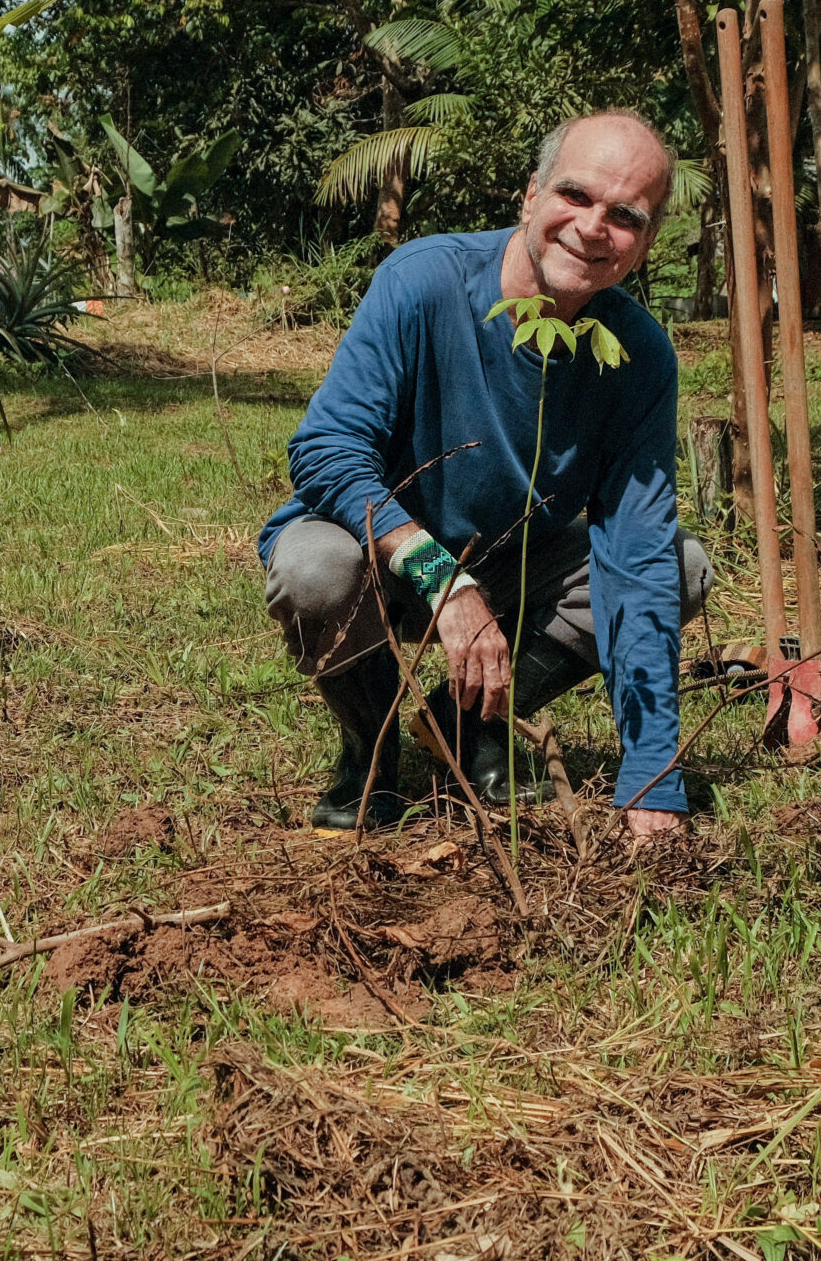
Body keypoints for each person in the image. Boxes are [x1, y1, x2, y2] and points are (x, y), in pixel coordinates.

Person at [258, 109, 712, 837]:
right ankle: (369, 759)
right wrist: (441, 576)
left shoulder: (636, 356)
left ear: (646, 242)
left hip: (518, 567)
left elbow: (638, 547)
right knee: (315, 569)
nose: (593, 227)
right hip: (388, 561)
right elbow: (326, 448)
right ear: (530, 196)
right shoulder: (424, 282)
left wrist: (651, 772)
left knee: (680, 567)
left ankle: (462, 725)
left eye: (624, 215)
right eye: (574, 195)